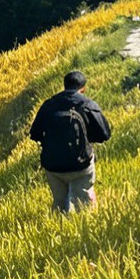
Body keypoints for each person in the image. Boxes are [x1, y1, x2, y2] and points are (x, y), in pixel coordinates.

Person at [28, 70, 112, 214]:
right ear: (83, 89)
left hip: (53, 166)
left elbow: (34, 134)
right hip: (81, 165)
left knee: (59, 203)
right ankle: (82, 229)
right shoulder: (88, 105)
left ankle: (58, 230)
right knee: (83, 205)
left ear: (64, 86)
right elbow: (104, 134)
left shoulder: (49, 105)